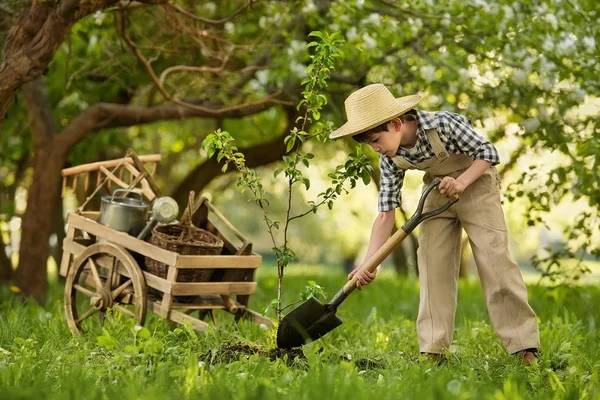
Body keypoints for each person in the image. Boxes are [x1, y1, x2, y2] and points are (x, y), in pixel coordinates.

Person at [329, 83, 540, 365]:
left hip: (476, 185)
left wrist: (462, 182)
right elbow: (385, 213)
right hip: (438, 191)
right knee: (431, 264)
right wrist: (370, 262)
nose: (375, 148)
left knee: (494, 261)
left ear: (395, 124)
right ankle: (433, 349)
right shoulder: (390, 159)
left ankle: (523, 346)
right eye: (369, 144)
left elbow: (488, 153)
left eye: (376, 140)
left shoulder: (443, 125)